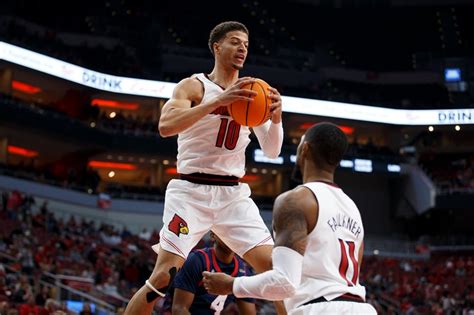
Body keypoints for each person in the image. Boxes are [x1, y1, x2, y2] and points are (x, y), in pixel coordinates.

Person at [124, 21, 284, 315]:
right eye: (235, 42)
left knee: (278, 272)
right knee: (163, 276)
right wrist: (217, 102)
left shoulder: (254, 91)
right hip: (190, 192)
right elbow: (165, 126)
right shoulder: (194, 86)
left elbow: (273, 151)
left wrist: (276, 118)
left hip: (232, 197)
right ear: (217, 47)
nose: (242, 48)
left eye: (246, 45)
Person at [203, 123, 377, 315]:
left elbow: (284, 282)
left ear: (305, 148)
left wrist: (231, 285)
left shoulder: (296, 200)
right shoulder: (352, 208)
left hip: (320, 307)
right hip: (362, 308)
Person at [160, 232, 256, 315]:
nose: (231, 236)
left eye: (235, 233)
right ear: (213, 235)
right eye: (226, 230)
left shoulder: (244, 271)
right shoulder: (196, 260)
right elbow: (179, 309)